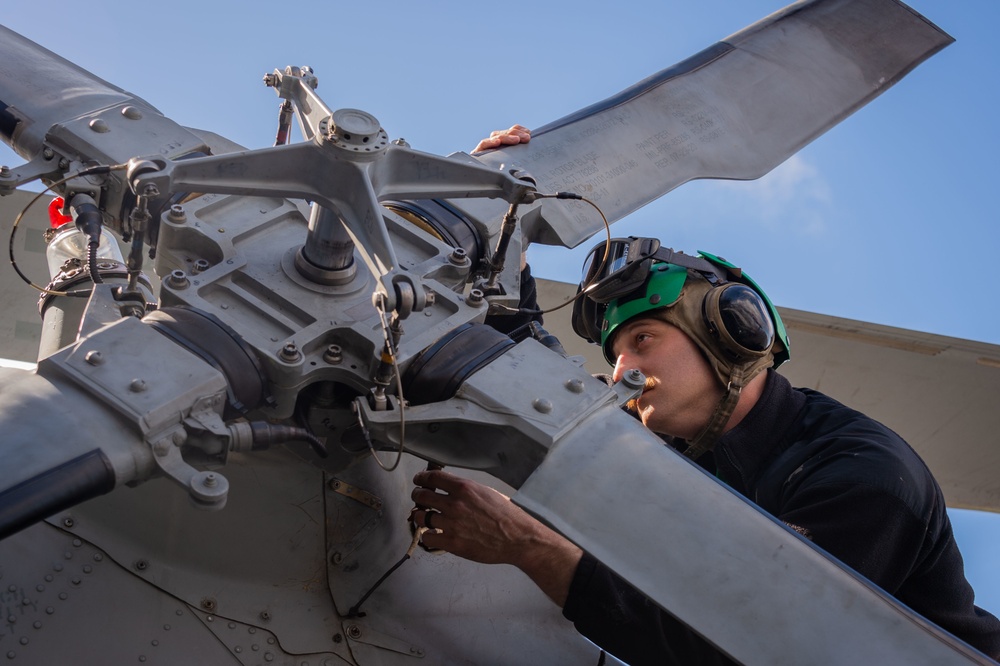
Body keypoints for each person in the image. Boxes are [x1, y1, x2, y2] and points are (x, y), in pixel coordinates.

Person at [410, 133, 1000, 664]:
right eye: (614, 355)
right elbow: (534, 375)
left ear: (732, 333)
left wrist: (529, 547)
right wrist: (500, 221)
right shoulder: (684, 448)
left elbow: (753, 646)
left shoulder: (863, 476)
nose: (622, 372)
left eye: (642, 340)